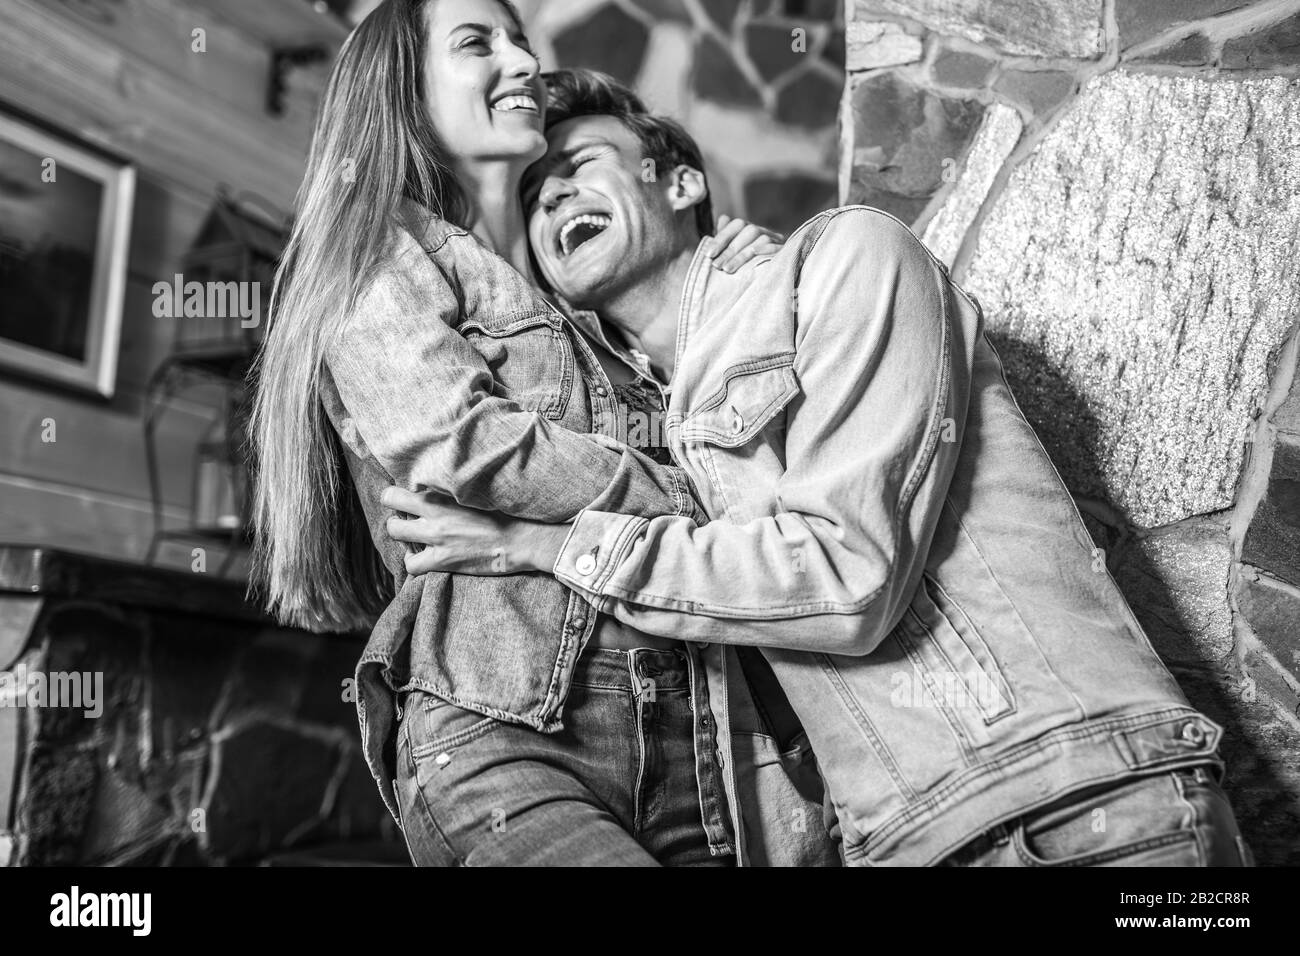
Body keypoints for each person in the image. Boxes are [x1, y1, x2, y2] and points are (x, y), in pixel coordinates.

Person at [384, 68, 1254, 867]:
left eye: (581, 162)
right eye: (534, 196)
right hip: (904, 842)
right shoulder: (658, 437)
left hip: (1074, 807)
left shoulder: (846, 261)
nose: (555, 195)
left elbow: (845, 579)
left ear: (679, 181)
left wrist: (540, 544)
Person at [249, 0, 838, 866]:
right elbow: (464, 444)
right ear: (402, 87)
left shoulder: (579, 304)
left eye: (520, 40)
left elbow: (737, 446)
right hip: (506, 735)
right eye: (477, 43)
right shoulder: (382, 247)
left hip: (690, 746)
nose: (521, 61)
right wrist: (692, 494)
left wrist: (728, 275)